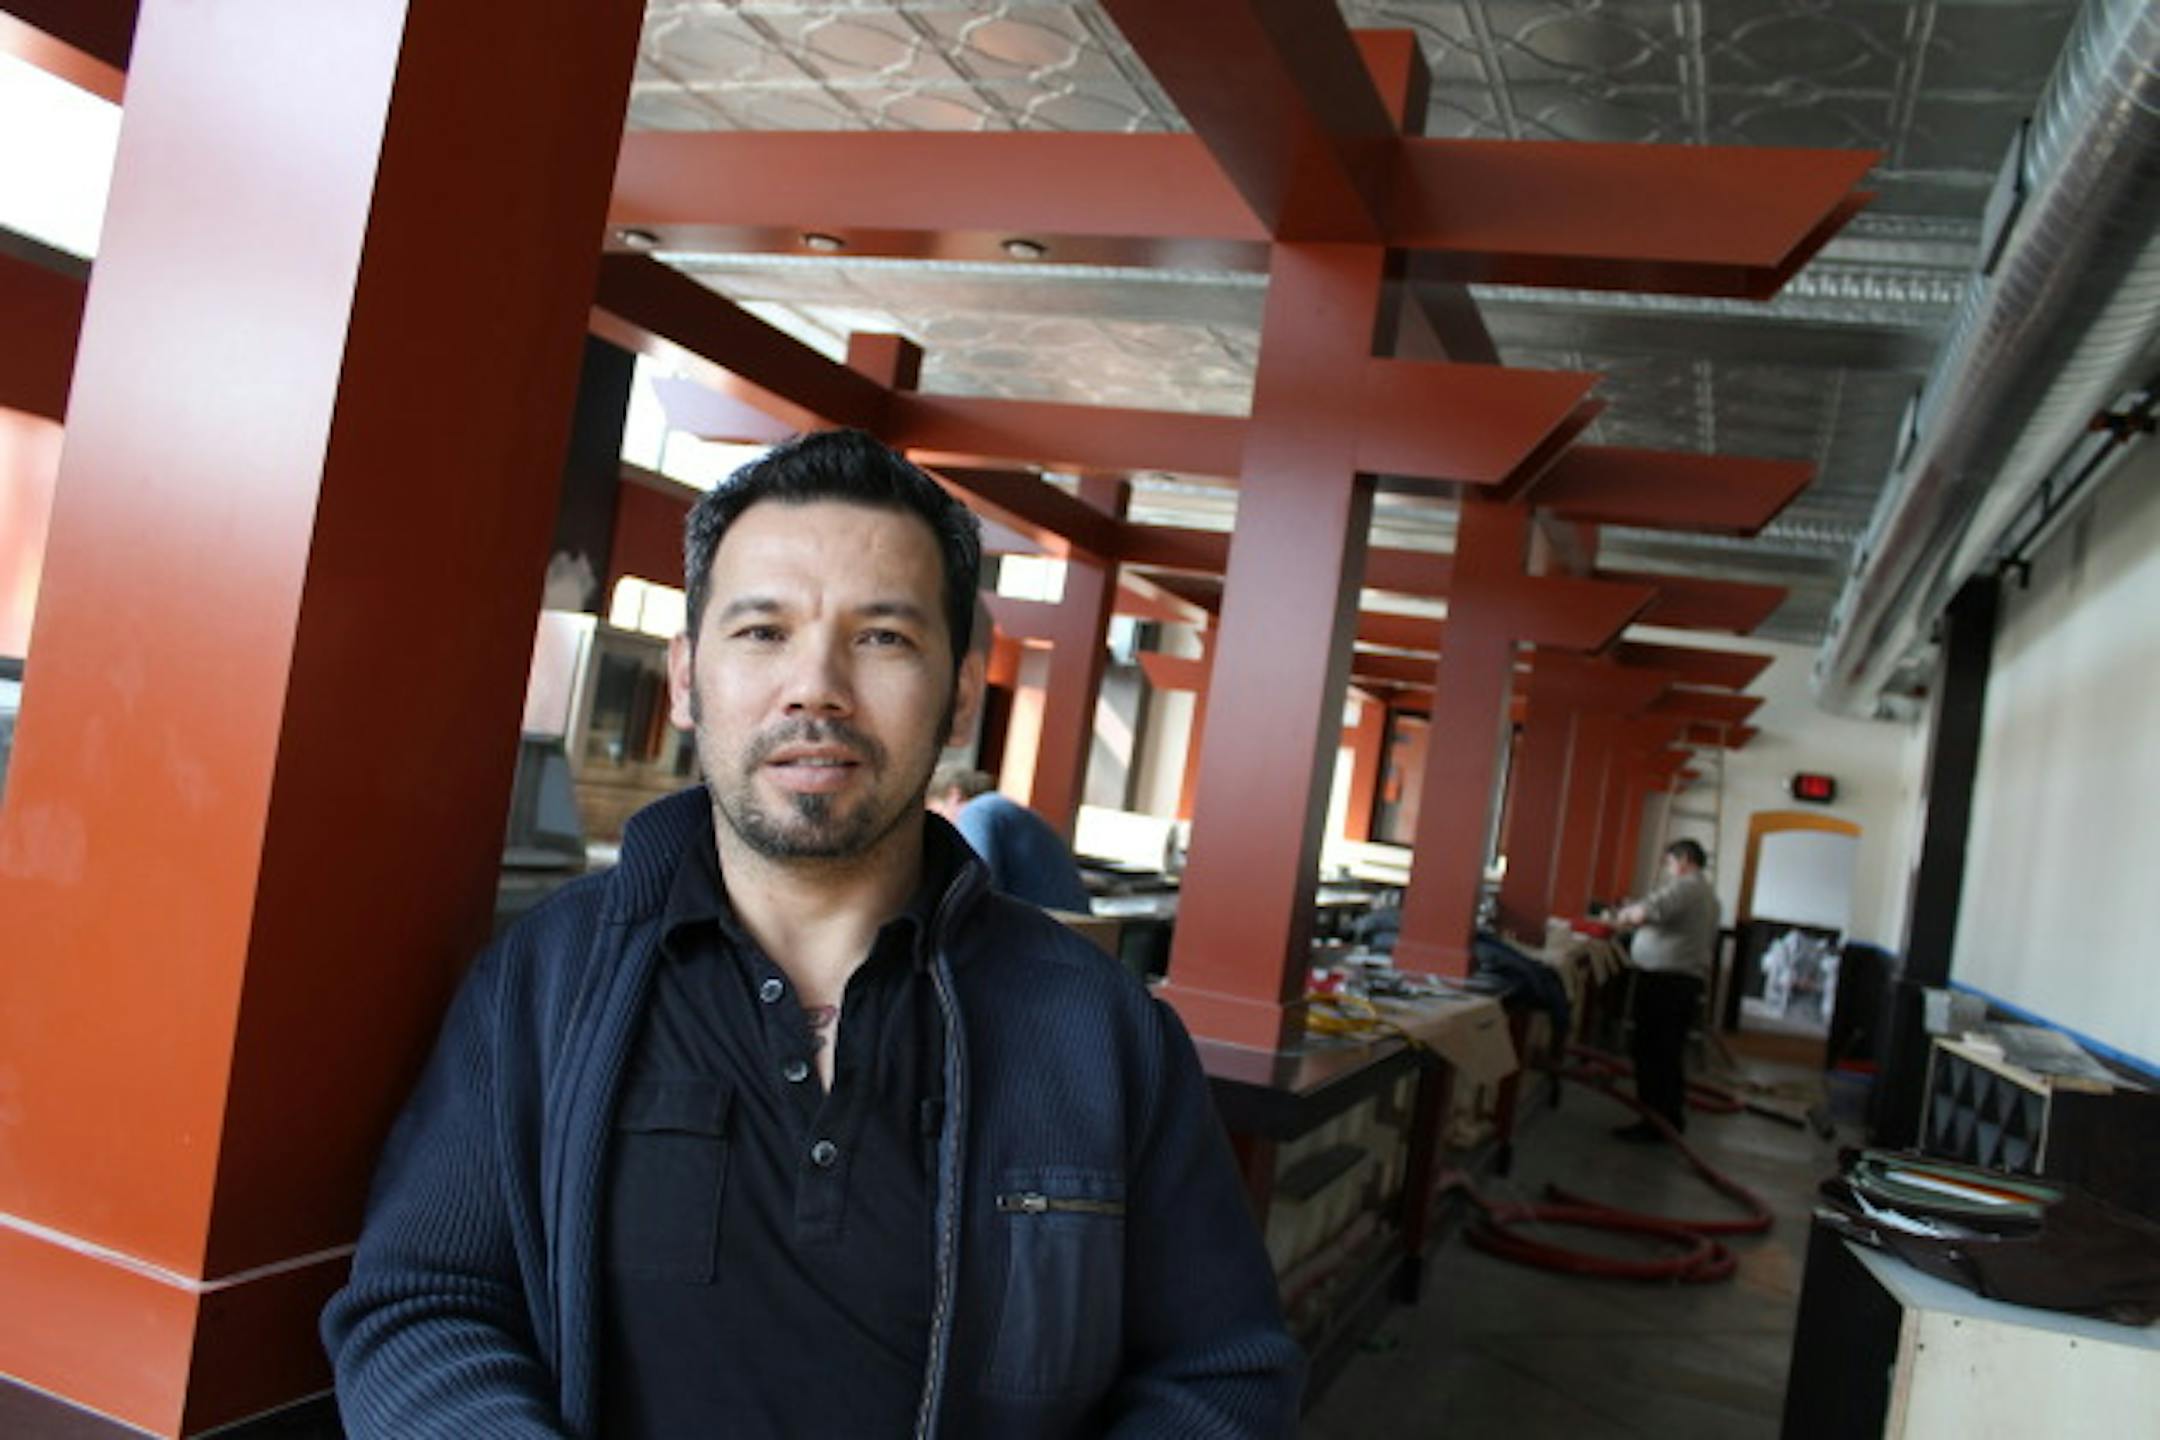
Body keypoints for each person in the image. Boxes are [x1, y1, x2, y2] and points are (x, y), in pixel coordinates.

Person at [322, 429, 1301, 1437]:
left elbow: (1218, 1375)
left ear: (961, 693)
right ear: (686, 677)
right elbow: (425, 1305)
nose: (816, 688)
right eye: (761, 633)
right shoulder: (546, 983)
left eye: (883, 636)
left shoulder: (1097, 1029)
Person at [1611, 838, 1720, 1143]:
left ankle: (1656, 1123)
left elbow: (1647, 913)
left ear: (1684, 860)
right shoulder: (1707, 893)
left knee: (1654, 1053)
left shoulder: (1687, 887)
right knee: (1666, 1054)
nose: (1668, 869)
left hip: (1667, 983)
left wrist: (1624, 914)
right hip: (1680, 982)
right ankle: (1665, 1119)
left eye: (1670, 862)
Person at [926, 765, 1094, 914]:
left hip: (1040, 935)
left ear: (954, 795)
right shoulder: (1004, 810)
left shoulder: (979, 811)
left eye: (935, 813)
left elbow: (973, 890)